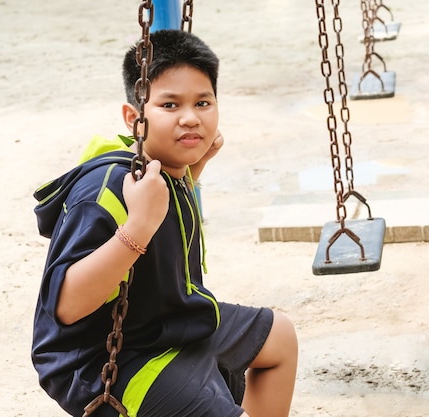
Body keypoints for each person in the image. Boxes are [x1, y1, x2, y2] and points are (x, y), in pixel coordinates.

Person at [31, 29, 297, 417]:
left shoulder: (165, 171)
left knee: (279, 337)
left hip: (165, 322)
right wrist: (137, 228)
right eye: (170, 105)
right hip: (108, 362)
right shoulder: (106, 191)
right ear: (134, 117)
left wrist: (193, 168)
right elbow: (67, 306)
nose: (190, 117)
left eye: (203, 102)